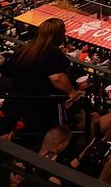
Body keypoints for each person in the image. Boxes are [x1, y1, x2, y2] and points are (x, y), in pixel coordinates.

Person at [7, 18, 79, 147]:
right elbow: (57, 78)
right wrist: (72, 92)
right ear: (58, 35)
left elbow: (8, 72)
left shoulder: (24, 50)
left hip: (18, 101)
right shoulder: (53, 53)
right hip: (43, 106)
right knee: (55, 135)